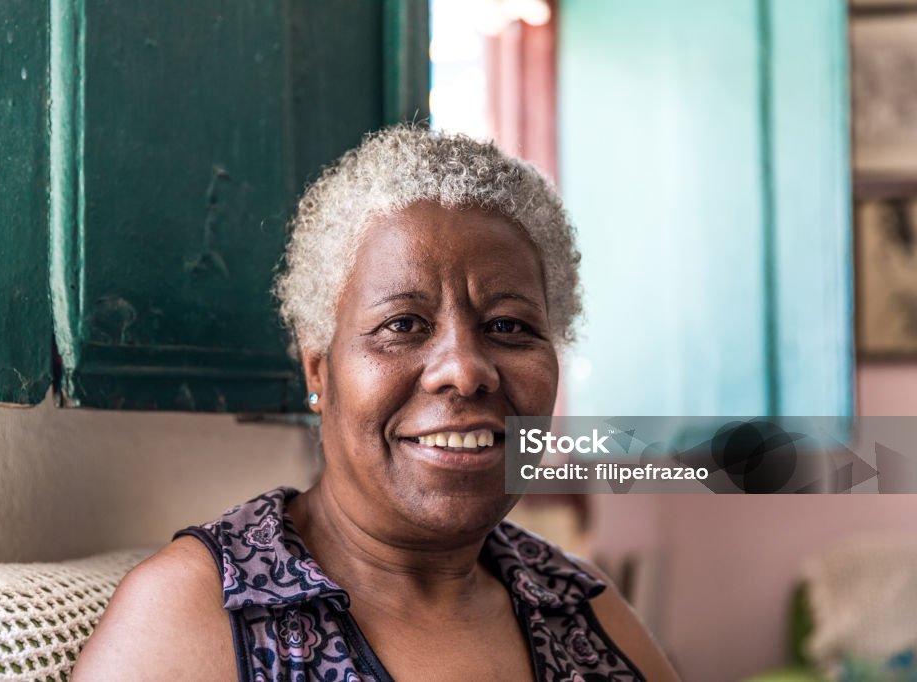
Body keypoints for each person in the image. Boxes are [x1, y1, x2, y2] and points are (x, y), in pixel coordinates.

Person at [73, 126, 678, 681]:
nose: (465, 371)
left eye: (510, 327)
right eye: (404, 323)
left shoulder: (577, 606)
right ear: (320, 370)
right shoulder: (201, 613)